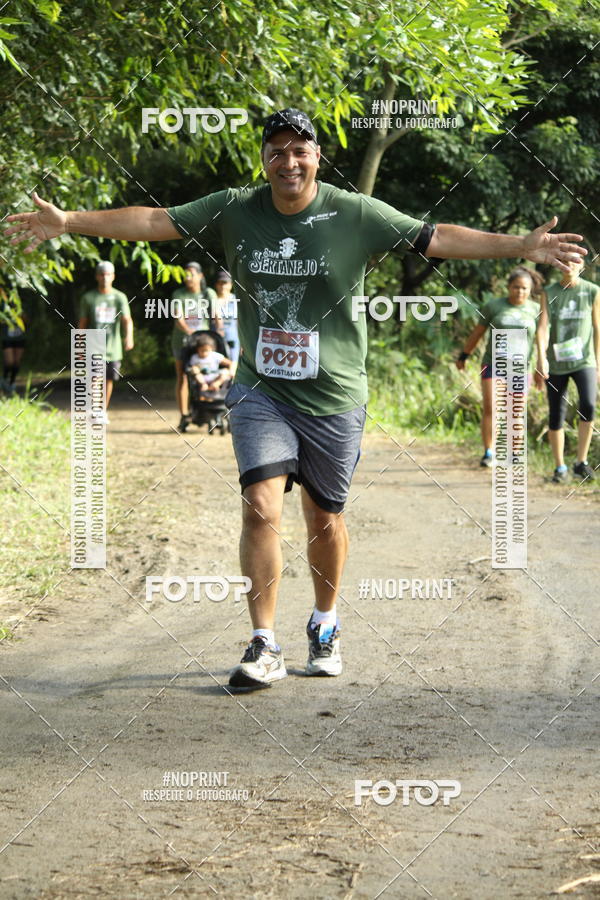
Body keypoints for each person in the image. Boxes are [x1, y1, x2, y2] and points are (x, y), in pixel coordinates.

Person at [6, 107, 586, 689]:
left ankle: (325, 623)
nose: (289, 160)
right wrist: (70, 220)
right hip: (261, 388)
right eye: (277, 150)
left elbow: (436, 238)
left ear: (316, 157)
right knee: (260, 502)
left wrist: (523, 245)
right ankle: (263, 642)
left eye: (300, 149)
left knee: (323, 517)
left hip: (335, 395)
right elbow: (154, 220)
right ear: (264, 159)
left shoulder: (354, 212)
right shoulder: (235, 208)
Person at [456, 266, 545, 467]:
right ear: (508, 287)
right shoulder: (494, 306)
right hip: (493, 364)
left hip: (521, 368)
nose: (519, 292)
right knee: (491, 408)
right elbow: (477, 333)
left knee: (516, 411)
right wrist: (464, 355)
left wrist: (542, 363)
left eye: (524, 288)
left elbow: (542, 338)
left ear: (530, 290)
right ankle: (489, 452)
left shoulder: (535, 309)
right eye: (516, 287)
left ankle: (514, 453)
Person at [537, 259, 600, 483]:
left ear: (582, 266)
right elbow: (543, 327)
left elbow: (597, 327)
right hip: (556, 362)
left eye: (574, 261)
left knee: (589, 406)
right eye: (564, 261)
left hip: (585, 360)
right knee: (556, 413)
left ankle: (580, 462)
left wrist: (598, 363)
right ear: (558, 265)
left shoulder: (592, 291)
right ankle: (560, 467)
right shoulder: (549, 292)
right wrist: (541, 357)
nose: (569, 265)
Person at [78, 261, 134, 424]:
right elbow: (82, 323)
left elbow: (127, 319)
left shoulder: (119, 297)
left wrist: (129, 336)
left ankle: (102, 410)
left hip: (113, 347)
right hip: (94, 345)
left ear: (113, 276)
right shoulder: (88, 298)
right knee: (95, 378)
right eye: (102, 274)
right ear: (97, 276)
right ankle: (95, 409)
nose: (105, 278)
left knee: (108, 379)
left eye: (108, 274)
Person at [170, 261, 218, 431]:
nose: (188, 277)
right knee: (182, 376)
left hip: (203, 343)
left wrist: (219, 333)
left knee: (207, 374)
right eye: (185, 274)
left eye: (191, 273)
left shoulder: (208, 293)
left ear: (200, 276)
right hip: (182, 341)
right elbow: (179, 319)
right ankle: (184, 414)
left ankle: (208, 412)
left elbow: (216, 315)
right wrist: (190, 332)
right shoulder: (179, 294)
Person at [212, 269, 240, 371]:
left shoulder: (236, 300)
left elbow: (240, 322)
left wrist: (243, 343)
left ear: (231, 284)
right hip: (214, 340)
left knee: (233, 366)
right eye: (220, 283)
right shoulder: (211, 299)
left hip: (233, 339)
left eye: (225, 283)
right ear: (216, 285)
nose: (222, 286)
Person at [1, 287, 26, 395]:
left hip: (20, 337)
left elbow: (26, 320)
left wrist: (20, 315)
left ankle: (11, 383)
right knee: (9, 362)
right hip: (7, 337)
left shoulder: (22, 305)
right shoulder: (3, 305)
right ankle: (4, 380)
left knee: (16, 362)